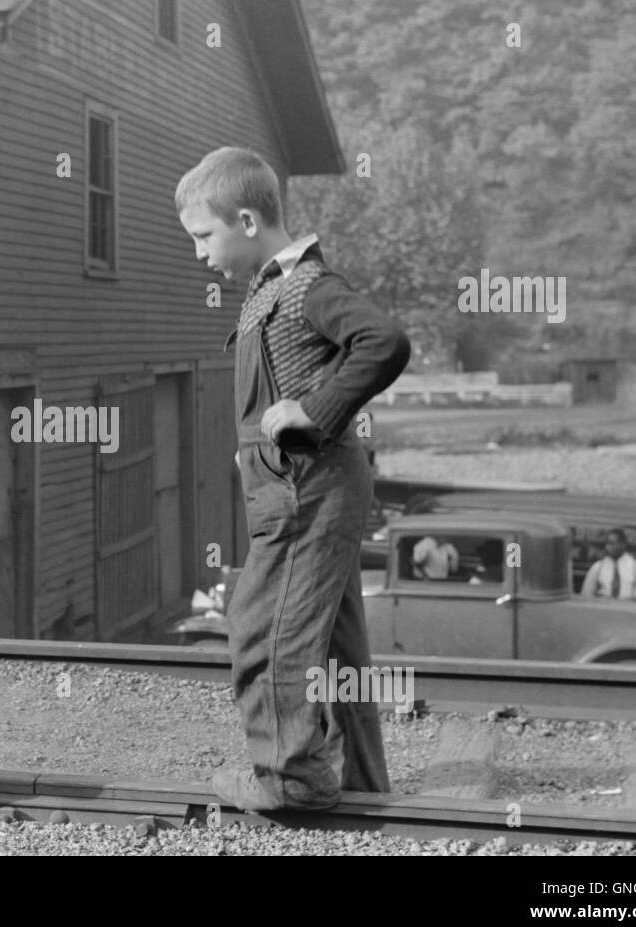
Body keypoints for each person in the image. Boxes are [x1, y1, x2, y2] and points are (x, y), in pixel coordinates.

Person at [176, 147, 410, 812]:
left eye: (203, 236)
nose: (199, 255)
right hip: (299, 484)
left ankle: (290, 778)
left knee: (262, 625)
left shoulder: (306, 287)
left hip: (306, 485)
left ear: (247, 220)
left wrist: (314, 410)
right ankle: (362, 781)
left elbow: (384, 340)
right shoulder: (268, 292)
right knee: (331, 639)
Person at [580, 528, 636, 607]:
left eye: (612, 544)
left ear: (623, 544)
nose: (607, 547)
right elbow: (585, 598)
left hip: (629, 615)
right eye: (607, 544)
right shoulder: (597, 568)